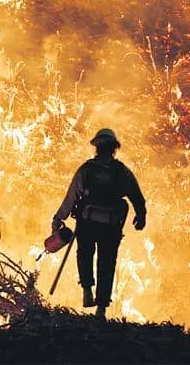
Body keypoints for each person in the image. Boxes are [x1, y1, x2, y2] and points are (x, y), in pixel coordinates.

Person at [52, 128, 147, 320]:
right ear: (114, 148)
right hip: (111, 225)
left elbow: (71, 197)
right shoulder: (122, 172)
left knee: (84, 254)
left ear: (96, 147)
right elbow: (136, 196)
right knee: (107, 263)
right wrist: (141, 215)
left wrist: (59, 218)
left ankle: (87, 289)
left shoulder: (86, 170)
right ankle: (101, 308)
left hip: (87, 223)